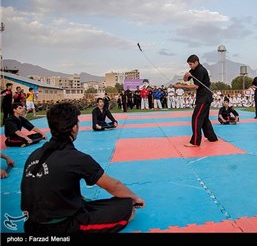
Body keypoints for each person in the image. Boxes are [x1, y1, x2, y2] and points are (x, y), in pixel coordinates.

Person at [21, 102, 145, 233]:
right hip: (62, 227)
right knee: (127, 206)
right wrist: (135, 198)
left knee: (87, 202)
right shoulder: (76, 158)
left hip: (30, 225)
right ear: (74, 128)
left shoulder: (34, 154)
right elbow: (113, 185)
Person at [174, 54, 218, 147]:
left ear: (196, 62)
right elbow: (186, 80)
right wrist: (186, 75)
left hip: (204, 98)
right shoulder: (194, 69)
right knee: (204, 119)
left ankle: (195, 141)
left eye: (191, 64)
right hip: (202, 97)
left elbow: (195, 86)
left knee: (196, 118)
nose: (190, 66)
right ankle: (212, 137)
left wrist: (180, 86)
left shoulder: (201, 70)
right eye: (189, 65)